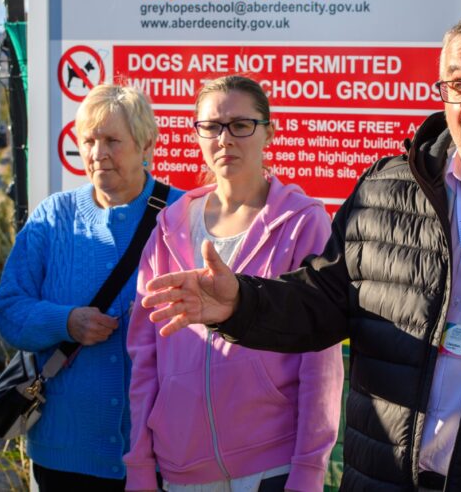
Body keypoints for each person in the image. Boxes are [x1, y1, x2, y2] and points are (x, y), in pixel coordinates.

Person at [140, 11, 461, 491]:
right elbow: (325, 302)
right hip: (383, 478)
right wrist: (240, 303)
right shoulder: (388, 187)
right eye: (457, 85)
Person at [124, 76, 342, 492]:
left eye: (241, 125)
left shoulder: (302, 222)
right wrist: (139, 464)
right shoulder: (169, 227)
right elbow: (145, 355)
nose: (225, 139)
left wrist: (309, 470)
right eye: (212, 126)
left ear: (269, 132)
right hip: (180, 467)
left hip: (270, 464)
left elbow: (321, 360)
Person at [0, 84, 183, 491]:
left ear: (146, 142)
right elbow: (7, 308)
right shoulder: (52, 217)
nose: (97, 153)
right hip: (66, 454)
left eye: (112, 140)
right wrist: (65, 322)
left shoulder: (182, 215)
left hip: (162, 455)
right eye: (89, 141)